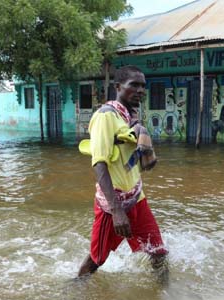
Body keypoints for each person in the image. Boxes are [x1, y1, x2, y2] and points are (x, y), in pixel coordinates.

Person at [77, 65, 168, 283]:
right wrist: (117, 211)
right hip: (113, 205)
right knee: (97, 259)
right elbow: (99, 163)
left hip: (137, 197)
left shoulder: (130, 117)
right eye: (133, 85)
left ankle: (164, 292)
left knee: (158, 252)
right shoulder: (105, 117)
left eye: (143, 86)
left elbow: (135, 161)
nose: (140, 91)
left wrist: (147, 156)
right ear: (118, 87)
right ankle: (75, 289)